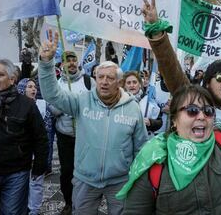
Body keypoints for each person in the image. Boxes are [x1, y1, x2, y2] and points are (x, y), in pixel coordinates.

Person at [116, 0, 221, 214]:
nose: (201, 115)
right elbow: (175, 77)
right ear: (174, 120)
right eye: (191, 110)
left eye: (208, 111)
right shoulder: (154, 162)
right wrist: (157, 34)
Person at [38, 31, 149, 215]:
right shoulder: (82, 101)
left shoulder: (133, 108)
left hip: (120, 181)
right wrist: (46, 62)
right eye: (100, 77)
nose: (104, 82)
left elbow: (141, 147)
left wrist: (138, 180)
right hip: (85, 180)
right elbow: (52, 95)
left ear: (119, 82)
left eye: (110, 78)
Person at [0, 58, 48, 214]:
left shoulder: (26, 104)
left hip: (16, 172)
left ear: (11, 79)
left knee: (11, 212)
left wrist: (39, 167)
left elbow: (40, 137)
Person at [46, 50, 94, 215]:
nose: (71, 63)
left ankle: (85, 202)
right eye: (68, 61)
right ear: (62, 65)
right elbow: (52, 107)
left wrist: (82, 107)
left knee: (87, 170)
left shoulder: (89, 82)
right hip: (65, 134)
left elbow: (97, 102)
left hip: (87, 133)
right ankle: (68, 202)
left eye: (74, 60)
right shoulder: (57, 84)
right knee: (67, 171)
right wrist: (67, 105)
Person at [17, 78, 53, 215]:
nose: (33, 89)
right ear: (21, 89)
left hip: (38, 152)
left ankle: (34, 210)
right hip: (20, 153)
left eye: (34, 87)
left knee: (36, 183)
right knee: (19, 184)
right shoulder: (15, 106)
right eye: (29, 86)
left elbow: (48, 132)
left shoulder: (43, 105)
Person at [122, 70, 163, 135]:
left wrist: (150, 122)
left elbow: (159, 122)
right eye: (128, 83)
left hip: (144, 140)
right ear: (125, 86)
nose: (132, 85)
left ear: (140, 84)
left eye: (134, 82)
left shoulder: (149, 100)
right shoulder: (120, 101)